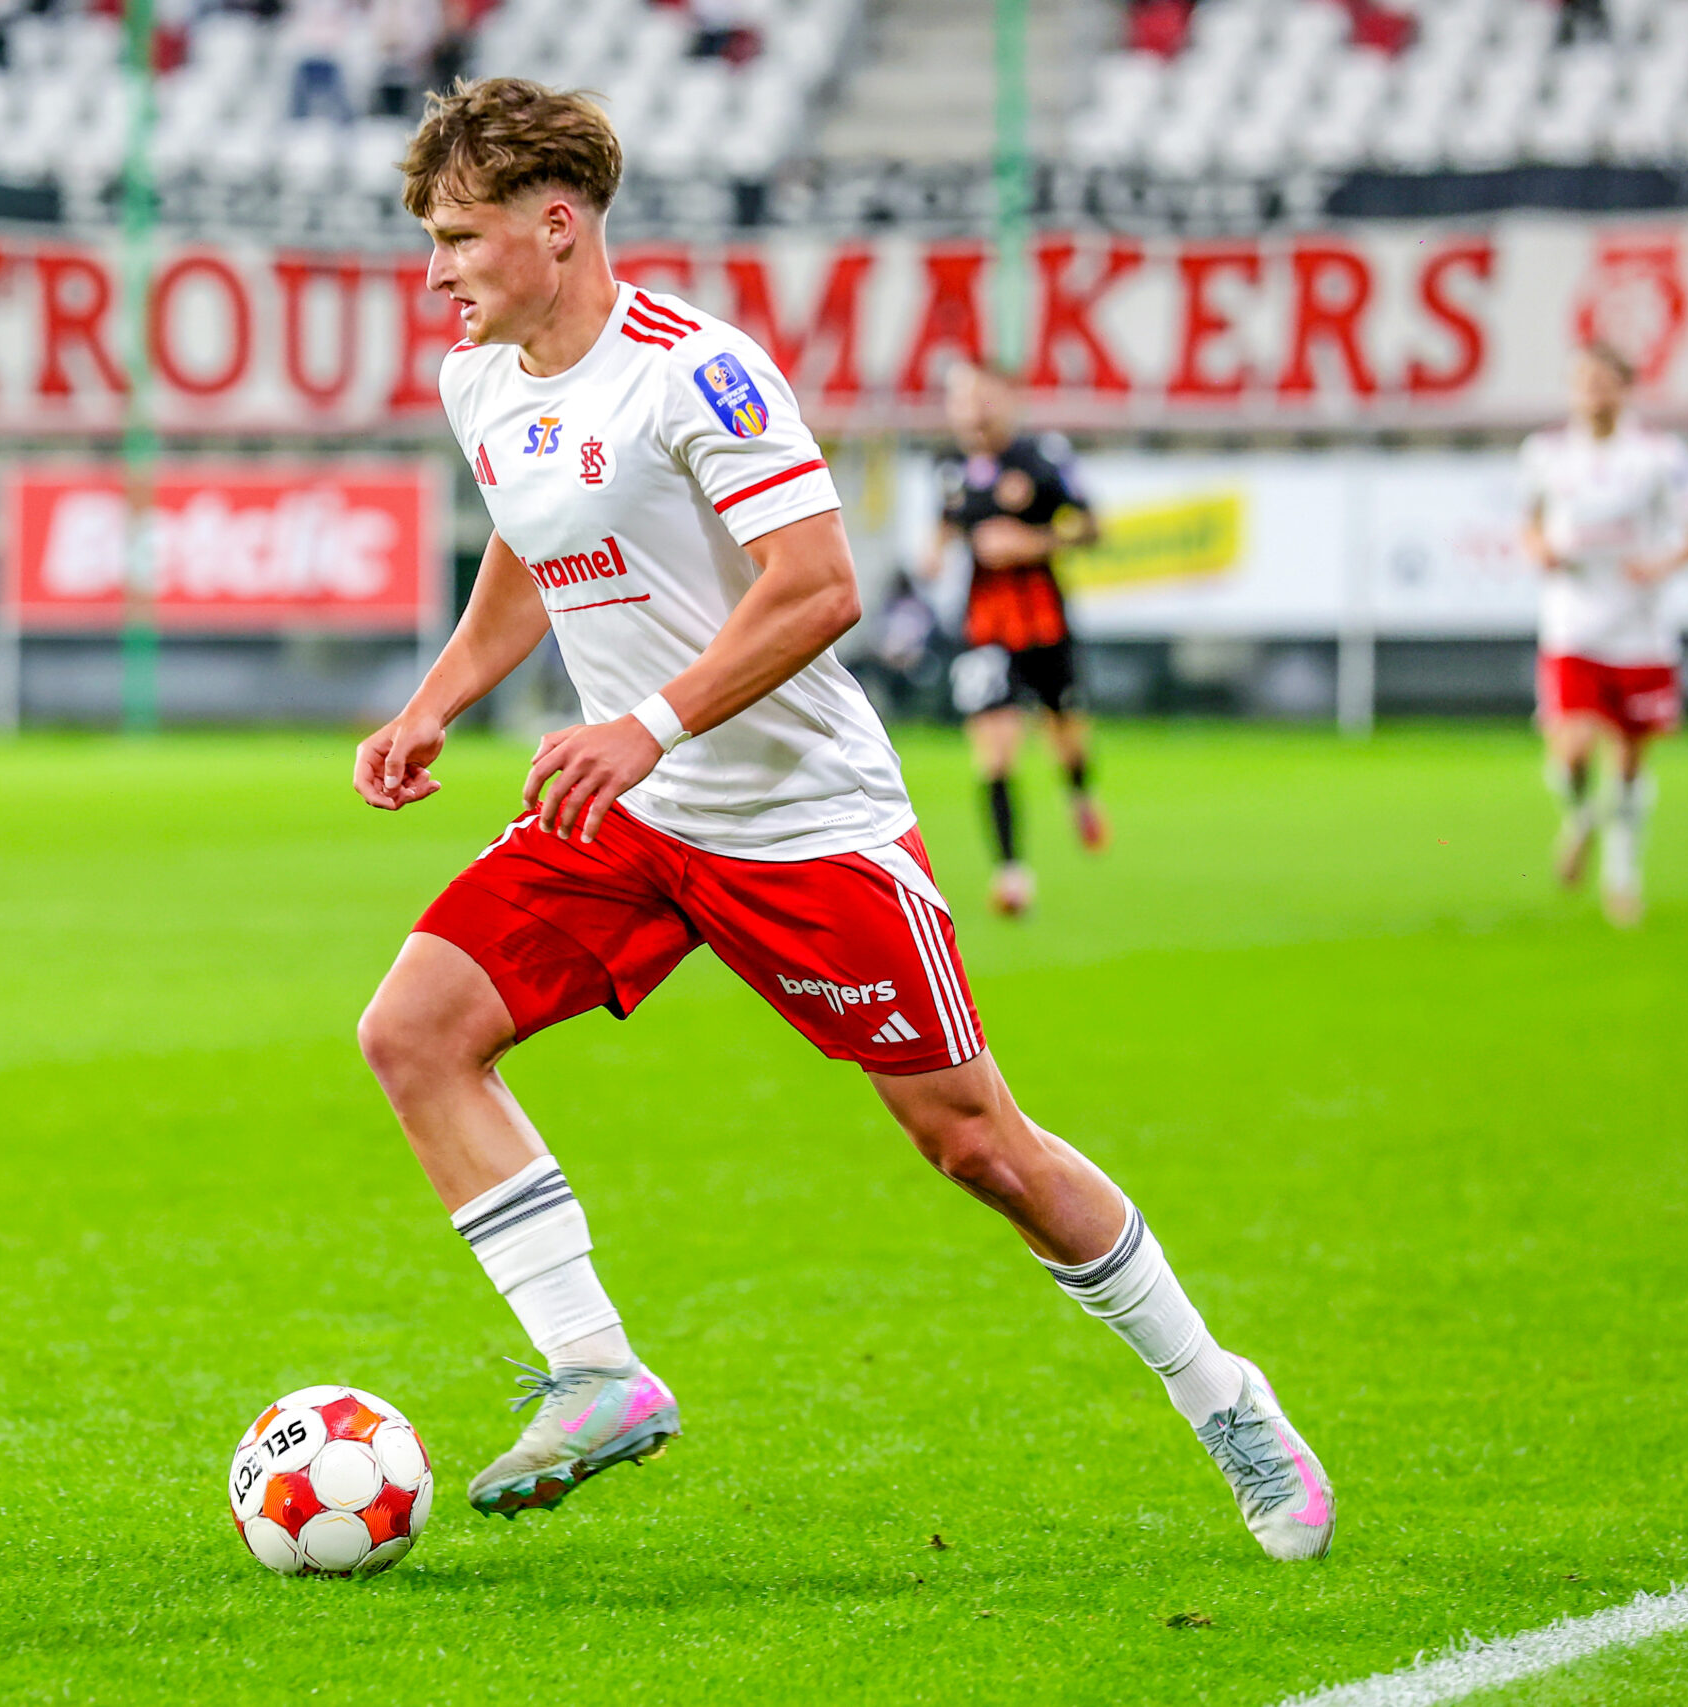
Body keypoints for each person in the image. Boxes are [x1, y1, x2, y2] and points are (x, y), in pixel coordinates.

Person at [351, 77, 1335, 1561]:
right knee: (413, 1029)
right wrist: (436, 699)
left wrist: (645, 723)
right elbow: (526, 537)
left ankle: (1223, 1395)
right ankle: (596, 1370)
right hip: (628, 813)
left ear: (555, 226)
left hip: (799, 820)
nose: (435, 272)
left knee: (977, 1145)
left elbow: (818, 586)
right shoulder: (481, 380)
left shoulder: (697, 371)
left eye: (458, 237)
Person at [1520, 342, 1688, 928]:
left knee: (1629, 759)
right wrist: (1541, 552)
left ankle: (1621, 877)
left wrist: (1658, 566)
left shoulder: (1658, 455)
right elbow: (1529, 524)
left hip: (1640, 630)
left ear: (1626, 388)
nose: (1594, 393)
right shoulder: (1545, 453)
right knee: (1573, 750)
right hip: (1572, 626)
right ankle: (1581, 817)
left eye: (1605, 382)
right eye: (1585, 382)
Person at [933, 361, 1107, 917]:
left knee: (1066, 733)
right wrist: (934, 550)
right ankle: (1010, 873)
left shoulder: (1042, 458)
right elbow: (946, 526)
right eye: (964, 400)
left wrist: (1029, 542)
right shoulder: (951, 468)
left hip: (1043, 622)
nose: (974, 411)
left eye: (983, 399)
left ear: (1006, 401)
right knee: (995, 748)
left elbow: (1090, 527)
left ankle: (1079, 792)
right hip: (984, 629)